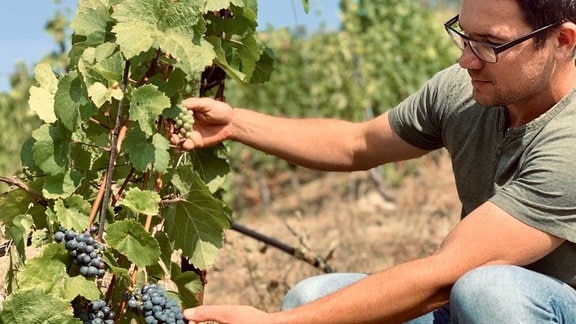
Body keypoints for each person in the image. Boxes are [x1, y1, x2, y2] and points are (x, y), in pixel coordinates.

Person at [175, 0, 576, 322]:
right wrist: (235, 124)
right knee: (310, 296)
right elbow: (357, 144)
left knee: (488, 291)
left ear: (562, 41)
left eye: (490, 43)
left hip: (531, 304)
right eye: (464, 36)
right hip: (469, 297)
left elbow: (444, 275)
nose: (467, 60)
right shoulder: (465, 91)